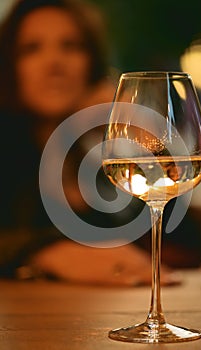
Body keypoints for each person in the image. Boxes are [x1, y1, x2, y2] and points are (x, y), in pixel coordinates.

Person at [0, 0, 160, 287]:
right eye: (31, 49)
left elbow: (176, 239)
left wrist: (146, 135)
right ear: (9, 66)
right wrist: (46, 253)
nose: (54, 63)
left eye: (71, 46)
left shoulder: (96, 157)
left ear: (92, 64)